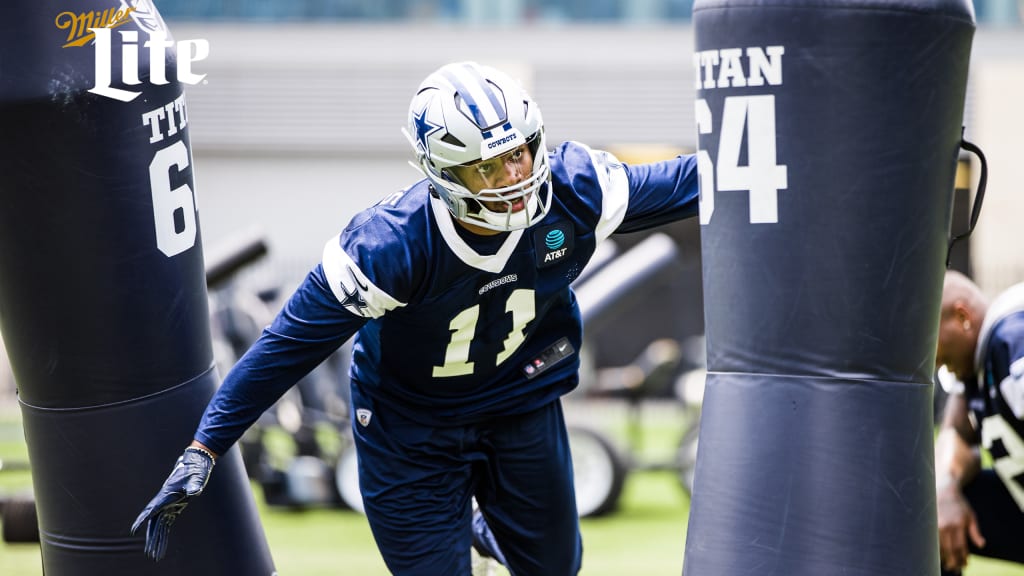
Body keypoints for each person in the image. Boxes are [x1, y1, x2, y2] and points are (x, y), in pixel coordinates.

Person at [132, 61, 700, 575]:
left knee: (555, 569)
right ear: (446, 175)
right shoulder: (389, 247)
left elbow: (701, 180)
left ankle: (482, 528)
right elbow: (285, 348)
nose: (514, 177)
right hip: (410, 425)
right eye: (487, 168)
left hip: (518, 401)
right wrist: (204, 448)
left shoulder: (577, 188)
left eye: (519, 152)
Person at [934, 270, 1024, 575]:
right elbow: (957, 433)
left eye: (927, 335)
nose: (927, 357)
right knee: (926, 515)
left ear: (962, 317)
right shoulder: (975, 365)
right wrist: (944, 490)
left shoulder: (1012, 340)